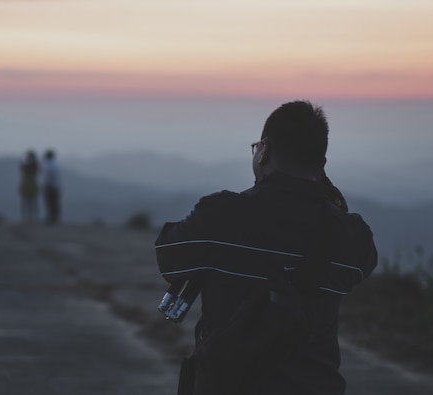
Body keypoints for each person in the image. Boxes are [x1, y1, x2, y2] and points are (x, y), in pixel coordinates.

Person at [155, 100, 377, 395]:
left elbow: (168, 257)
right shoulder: (351, 234)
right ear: (322, 165)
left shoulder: (220, 215)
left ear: (264, 150)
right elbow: (363, 266)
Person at [18, 150, 39, 223]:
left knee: (27, 201)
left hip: (28, 183)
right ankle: (31, 217)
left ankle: (28, 217)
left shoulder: (27, 165)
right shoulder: (33, 165)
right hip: (30, 183)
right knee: (30, 201)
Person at [42, 149, 62, 225]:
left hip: (49, 186)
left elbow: (47, 177)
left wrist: (45, 185)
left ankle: (51, 218)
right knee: (55, 203)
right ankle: (55, 218)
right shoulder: (56, 165)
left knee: (49, 203)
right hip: (57, 186)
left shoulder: (47, 165)